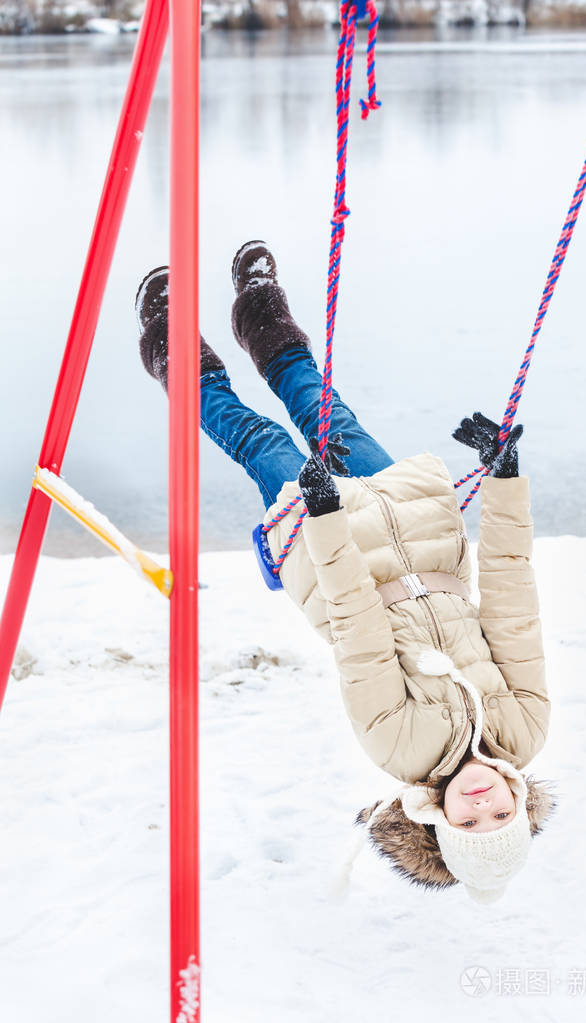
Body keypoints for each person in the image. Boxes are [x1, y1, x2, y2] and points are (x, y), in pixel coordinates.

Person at [137, 241, 556, 903]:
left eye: (469, 821)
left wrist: (327, 519)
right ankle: (259, 307)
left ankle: (169, 342)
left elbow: (359, 627)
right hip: (415, 521)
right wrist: (503, 478)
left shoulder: (400, 749)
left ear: (437, 818)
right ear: (521, 800)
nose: (482, 802)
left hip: (339, 560)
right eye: (501, 815)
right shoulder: (527, 726)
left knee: (263, 442)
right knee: (325, 411)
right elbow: (510, 593)